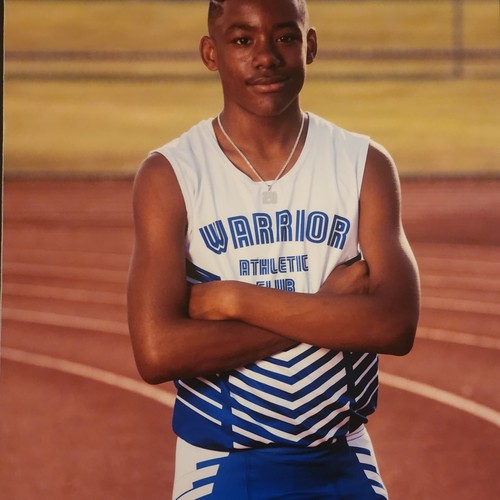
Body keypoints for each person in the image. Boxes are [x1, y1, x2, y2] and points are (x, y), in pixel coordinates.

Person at [127, 0, 420, 497]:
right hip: (221, 467)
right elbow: (158, 352)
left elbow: (395, 324)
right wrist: (327, 309)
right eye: (243, 40)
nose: (265, 56)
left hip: (343, 457)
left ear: (310, 45)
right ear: (211, 53)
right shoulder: (171, 174)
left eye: (284, 37)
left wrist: (235, 299)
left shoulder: (363, 163)